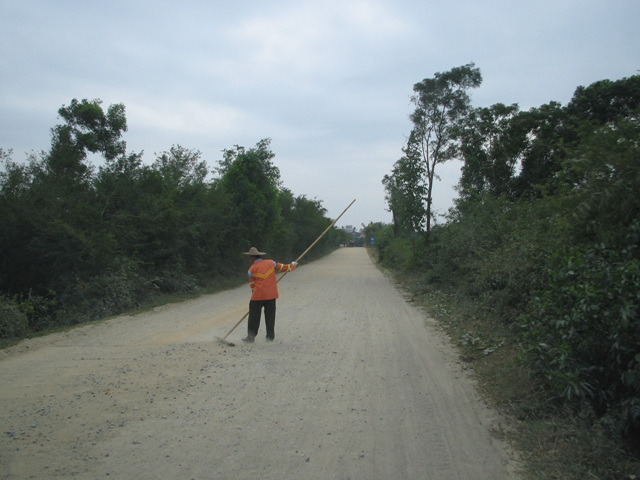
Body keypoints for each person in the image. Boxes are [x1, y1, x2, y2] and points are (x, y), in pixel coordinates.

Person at [241, 247, 298, 343]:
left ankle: (250, 337)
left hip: (258, 296)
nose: (249, 259)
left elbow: (252, 286)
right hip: (271, 295)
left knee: (254, 317)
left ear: (253, 257)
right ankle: (270, 337)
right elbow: (284, 268)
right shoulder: (271, 263)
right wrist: (292, 265)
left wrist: (254, 296)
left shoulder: (251, 269)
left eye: (249, 257)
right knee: (270, 316)